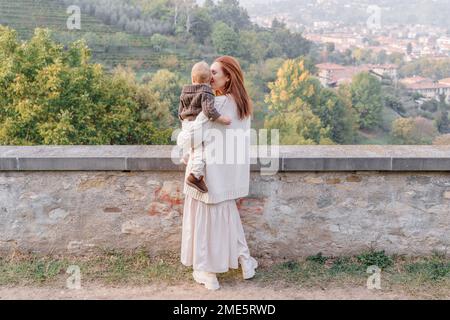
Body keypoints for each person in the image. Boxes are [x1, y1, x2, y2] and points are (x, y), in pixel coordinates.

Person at [180, 56, 258, 291]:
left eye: (214, 73)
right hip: (228, 176)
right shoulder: (242, 105)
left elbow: (190, 139)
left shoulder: (215, 106)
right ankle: (245, 262)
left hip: (206, 175)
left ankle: (207, 271)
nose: (209, 77)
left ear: (228, 77)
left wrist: (188, 132)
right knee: (229, 219)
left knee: (204, 224)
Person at [177, 61, 232, 193]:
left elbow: (180, 111)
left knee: (193, 145)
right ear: (208, 80)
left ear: (192, 78)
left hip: (185, 122)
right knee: (201, 151)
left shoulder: (185, 91)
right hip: (197, 124)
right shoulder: (206, 91)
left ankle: (187, 155)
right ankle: (195, 176)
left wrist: (184, 120)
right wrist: (221, 119)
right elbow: (208, 110)